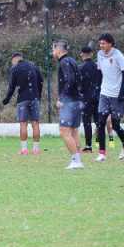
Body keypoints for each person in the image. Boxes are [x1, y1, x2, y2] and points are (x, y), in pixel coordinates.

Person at [96, 33, 124, 162]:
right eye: (100, 43)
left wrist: (122, 93)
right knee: (101, 122)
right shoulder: (99, 54)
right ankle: (102, 153)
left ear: (110, 43)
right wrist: (98, 88)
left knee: (115, 125)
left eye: (103, 43)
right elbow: (99, 72)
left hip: (117, 95)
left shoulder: (118, 55)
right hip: (104, 93)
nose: (101, 45)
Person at [2, 52, 43, 155]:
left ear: (14, 59)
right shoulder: (33, 66)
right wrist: (38, 95)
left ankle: (24, 149)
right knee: (35, 123)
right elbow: (41, 81)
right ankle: (36, 149)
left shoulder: (15, 69)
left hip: (22, 99)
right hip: (34, 98)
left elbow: (11, 87)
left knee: (23, 124)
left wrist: (7, 99)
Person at [52, 40, 84, 169]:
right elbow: (78, 80)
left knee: (64, 131)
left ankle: (76, 161)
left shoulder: (64, 62)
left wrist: (63, 98)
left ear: (58, 50)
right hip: (77, 100)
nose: (52, 52)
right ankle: (78, 160)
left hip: (69, 102)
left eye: (53, 49)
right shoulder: (72, 61)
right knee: (74, 131)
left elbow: (69, 80)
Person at [79, 46, 101, 153]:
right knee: (99, 122)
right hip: (98, 97)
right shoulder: (98, 67)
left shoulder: (81, 68)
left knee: (87, 122)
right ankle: (101, 145)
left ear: (82, 54)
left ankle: (88, 145)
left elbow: (79, 85)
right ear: (92, 54)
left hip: (86, 98)